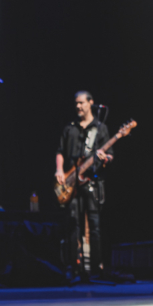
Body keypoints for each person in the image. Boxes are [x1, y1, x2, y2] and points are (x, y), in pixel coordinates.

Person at [54, 90, 114, 281]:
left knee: (95, 225)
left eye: (81, 103)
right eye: (76, 103)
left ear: (90, 103)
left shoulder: (100, 128)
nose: (78, 106)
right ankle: (74, 267)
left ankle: (96, 267)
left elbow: (110, 155)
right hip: (71, 182)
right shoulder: (69, 128)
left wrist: (105, 158)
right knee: (73, 224)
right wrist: (59, 170)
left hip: (91, 182)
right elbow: (60, 151)